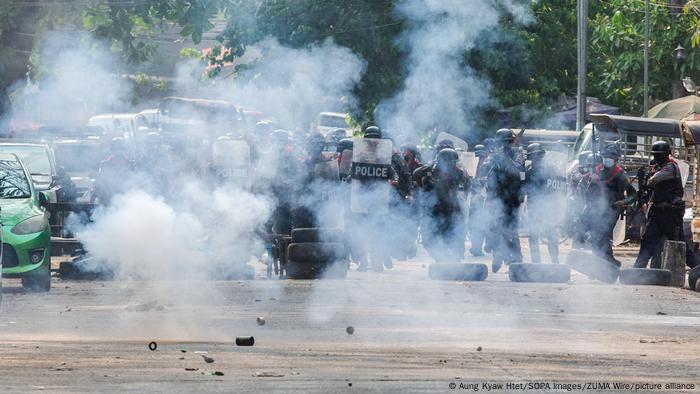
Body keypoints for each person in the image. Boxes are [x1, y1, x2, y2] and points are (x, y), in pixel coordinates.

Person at [633, 141, 687, 268]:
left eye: (659, 155)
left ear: (666, 155)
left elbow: (654, 180)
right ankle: (637, 269)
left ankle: (697, 268)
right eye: (655, 155)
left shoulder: (670, 167)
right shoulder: (659, 167)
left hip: (670, 214)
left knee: (679, 244)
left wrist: (648, 177)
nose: (656, 158)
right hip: (658, 213)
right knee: (647, 241)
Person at [586, 144, 637, 266]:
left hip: (612, 211)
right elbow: (588, 193)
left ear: (615, 159)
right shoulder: (597, 171)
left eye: (610, 157)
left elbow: (633, 194)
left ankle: (610, 262)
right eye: (605, 156)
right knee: (595, 237)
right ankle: (601, 263)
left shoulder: (620, 175)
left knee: (602, 235)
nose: (607, 159)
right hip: (596, 210)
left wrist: (623, 202)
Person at [419, 148, 470, 262]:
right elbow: (416, 176)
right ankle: (439, 257)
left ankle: (452, 259)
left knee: (453, 236)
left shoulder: (459, 174)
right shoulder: (431, 172)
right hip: (434, 210)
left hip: (452, 211)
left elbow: (465, 190)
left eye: (452, 163)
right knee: (428, 238)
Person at [485, 128, 525, 272]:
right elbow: (485, 171)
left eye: (505, 142)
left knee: (511, 230)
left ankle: (517, 258)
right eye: (501, 143)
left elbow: (517, 171)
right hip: (496, 197)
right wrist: (493, 160)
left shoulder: (518, 154)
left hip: (512, 198)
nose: (503, 145)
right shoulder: (494, 155)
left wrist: (505, 159)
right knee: (496, 228)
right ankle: (497, 257)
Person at [523, 143, 560, 264]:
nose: (536, 158)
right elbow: (522, 187)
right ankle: (536, 261)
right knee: (533, 235)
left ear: (541, 155)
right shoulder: (527, 171)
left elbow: (558, 187)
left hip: (548, 206)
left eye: (537, 155)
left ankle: (555, 259)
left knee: (551, 235)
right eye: (533, 156)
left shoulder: (551, 169)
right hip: (534, 206)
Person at [92, 137, 133, 205]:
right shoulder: (105, 165)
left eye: (121, 149)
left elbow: (137, 185)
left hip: (127, 201)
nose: (119, 151)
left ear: (125, 150)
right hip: (108, 201)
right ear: (112, 150)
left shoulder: (131, 165)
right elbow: (98, 184)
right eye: (116, 149)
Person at [468, 144, 489, 256]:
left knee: (482, 225)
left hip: (484, 201)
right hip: (472, 201)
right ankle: (475, 247)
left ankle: (479, 247)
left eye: (482, 156)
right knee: (473, 225)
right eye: (478, 156)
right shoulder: (469, 167)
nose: (480, 159)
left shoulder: (487, 168)